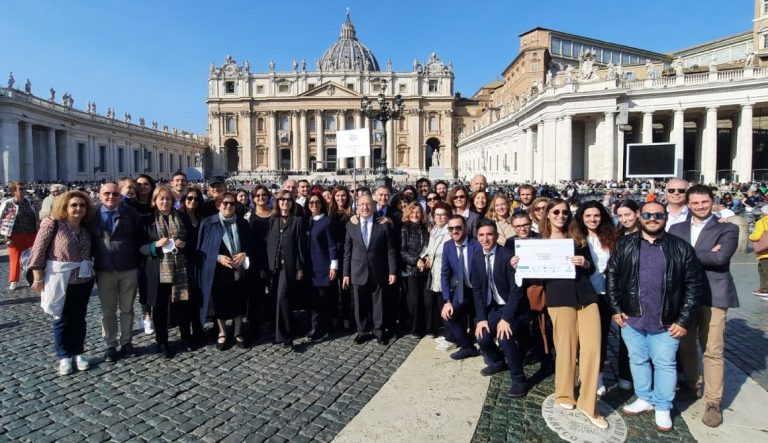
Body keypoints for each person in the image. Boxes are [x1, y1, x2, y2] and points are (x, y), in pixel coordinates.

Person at [607, 201, 702, 432]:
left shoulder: (681, 248)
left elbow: (693, 285)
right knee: (637, 360)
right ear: (640, 216)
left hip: (667, 321)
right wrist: (616, 308)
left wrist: (683, 320)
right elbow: (612, 276)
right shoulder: (625, 244)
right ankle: (644, 397)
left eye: (658, 215)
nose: (652, 218)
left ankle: (662, 406)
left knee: (665, 364)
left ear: (665, 218)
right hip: (632, 318)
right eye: (648, 214)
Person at [669, 185, 739, 427]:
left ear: (712, 201)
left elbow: (720, 258)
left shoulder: (727, 228)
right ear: (688, 204)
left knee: (712, 349)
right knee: (686, 345)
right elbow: (671, 258)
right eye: (695, 203)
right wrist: (705, 252)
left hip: (714, 296)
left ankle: (713, 401)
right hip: (685, 295)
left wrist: (686, 254)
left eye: (704, 202)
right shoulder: (676, 228)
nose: (700, 206)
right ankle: (691, 384)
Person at [537, 198, 606, 429]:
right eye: (555, 211)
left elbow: (593, 268)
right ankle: (565, 394)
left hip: (586, 296)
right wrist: (520, 264)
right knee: (566, 347)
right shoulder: (540, 241)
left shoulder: (578, 237)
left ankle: (589, 402)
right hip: (559, 297)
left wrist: (585, 263)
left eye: (565, 212)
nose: (560, 215)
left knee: (592, 348)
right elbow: (535, 275)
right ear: (547, 214)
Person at [28, 190, 96, 375]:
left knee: (79, 318)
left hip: (83, 279)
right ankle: (64, 356)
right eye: (74, 205)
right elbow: (38, 250)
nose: (78, 208)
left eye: (82, 205)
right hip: (59, 278)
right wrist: (38, 277)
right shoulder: (52, 224)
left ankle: (78, 352)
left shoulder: (86, 227)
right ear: (64, 206)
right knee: (61, 318)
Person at [471, 218, 529, 397]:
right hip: (495, 308)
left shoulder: (507, 256)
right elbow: (478, 291)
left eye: (489, 234)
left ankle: (519, 379)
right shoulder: (477, 257)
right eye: (481, 235)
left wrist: (506, 319)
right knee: (482, 337)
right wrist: (481, 319)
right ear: (477, 237)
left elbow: (516, 290)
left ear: (496, 235)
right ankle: (497, 362)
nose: (485, 239)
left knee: (504, 337)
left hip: (515, 309)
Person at [89, 182, 143, 363]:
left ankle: (127, 342)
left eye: (114, 194)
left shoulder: (130, 213)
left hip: (128, 267)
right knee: (108, 310)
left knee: (127, 309)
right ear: (99, 194)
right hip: (104, 269)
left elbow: (139, 236)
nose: (110, 197)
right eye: (107, 193)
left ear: (120, 195)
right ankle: (110, 344)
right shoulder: (92, 216)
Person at [138, 185, 194, 358]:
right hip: (159, 270)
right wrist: (155, 246)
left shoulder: (182, 217)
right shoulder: (147, 221)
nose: (165, 201)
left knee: (183, 304)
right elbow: (140, 248)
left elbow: (191, 239)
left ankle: (186, 336)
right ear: (155, 201)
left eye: (168, 198)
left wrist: (184, 245)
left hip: (181, 268)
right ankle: (162, 341)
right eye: (161, 198)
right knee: (160, 308)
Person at [572, 201, 620, 396]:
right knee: (581, 337)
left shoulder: (612, 237)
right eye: (588, 216)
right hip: (583, 292)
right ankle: (583, 371)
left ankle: (597, 375)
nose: (592, 219)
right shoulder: (575, 238)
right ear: (582, 218)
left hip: (605, 293)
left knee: (601, 337)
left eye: (596, 216)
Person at [198, 191, 253, 350]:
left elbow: (250, 245)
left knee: (238, 300)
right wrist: (217, 257)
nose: (229, 206)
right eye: (225, 203)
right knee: (219, 301)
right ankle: (222, 332)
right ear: (218, 205)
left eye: (232, 203)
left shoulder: (242, 223)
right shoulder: (209, 223)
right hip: (218, 269)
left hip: (238, 268)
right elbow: (202, 248)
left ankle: (237, 332)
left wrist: (244, 254)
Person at [342, 193, 398, 345]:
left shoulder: (382, 224)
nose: (365, 207)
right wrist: (345, 273)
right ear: (357, 208)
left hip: (378, 270)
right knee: (360, 304)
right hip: (358, 270)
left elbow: (390, 250)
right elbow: (347, 250)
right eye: (362, 205)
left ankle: (379, 331)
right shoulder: (351, 225)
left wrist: (392, 271)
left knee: (379, 303)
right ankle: (362, 331)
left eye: (368, 204)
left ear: (373, 206)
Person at [266, 190, 307, 349]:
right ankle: (278, 332)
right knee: (276, 298)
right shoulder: (272, 220)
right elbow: (268, 243)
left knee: (283, 297)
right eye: (282, 199)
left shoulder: (297, 221)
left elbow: (300, 246)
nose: (285, 202)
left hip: (288, 266)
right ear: (278, 202)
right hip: (273, 266)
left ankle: (286, 334)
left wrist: (300, 266)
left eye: (289, 200)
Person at [440, 215, 483, 362]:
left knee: (482, 323)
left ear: (465, 227)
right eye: (451, 228)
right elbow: (444, 274)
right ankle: (467, 347)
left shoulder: (476, 244)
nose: (455, 231)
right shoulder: (448, 246)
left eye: (458, 227)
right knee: (449, 314)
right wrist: (447, 300)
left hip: (480, 291)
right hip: (462, 290)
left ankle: (487, 348)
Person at [305, 193, 337, 341]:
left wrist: (333, 265)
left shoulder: (327, 221)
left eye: (317, 202)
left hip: (323, 267)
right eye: (311, 202)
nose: (314, 205)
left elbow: (332, 244)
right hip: (309, 267)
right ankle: (315, 326)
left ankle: (322, 328)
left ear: (322, 204)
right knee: (312, 300)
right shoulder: (307, 221)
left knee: (322, 300)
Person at [177, 186, 206, 347]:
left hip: (198, 262)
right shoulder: (178, 216)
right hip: (183, 262)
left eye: (195, 199)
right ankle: (185, 335)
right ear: (184, 200)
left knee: (197, 297)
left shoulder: (200, 216)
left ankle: (198, 329)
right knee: (185, 300)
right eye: (189, 198)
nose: (192, 201)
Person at [423, 202, 453, 344]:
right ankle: (446, 332)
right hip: (434, 271)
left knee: (446, 303)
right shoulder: (434, 229)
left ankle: (450, 336)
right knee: (438, 303)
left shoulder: (450, 231)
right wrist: (427, 257)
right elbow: (430, 249)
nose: (440, 218)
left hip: (445, 272)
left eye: (443, 215)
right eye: (437, 215)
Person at [246, 185, 273, 340]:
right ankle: (254, 326)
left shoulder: (274, 215)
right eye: (258, 195)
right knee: (254, 295)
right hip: (254, 262)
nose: (261, 198)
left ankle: (272, 323)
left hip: (271, 260)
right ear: (253, 198)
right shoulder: (249, 217)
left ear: (268, 197)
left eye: (264, 195)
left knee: (273, 293)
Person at [130, 174, 156, 335]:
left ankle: (157, 315)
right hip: (135, 249)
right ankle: (147, 316)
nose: (142, 187)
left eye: (146, 184)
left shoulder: (156, 204)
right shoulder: (129, 205)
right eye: (139, 185)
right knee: (143, 284)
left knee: (156, 284)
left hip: (155, 248)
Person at [400, 202, 431, 337]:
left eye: (418, 212)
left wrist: (428, 257)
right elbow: (402, 251)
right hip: (410, 270)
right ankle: (414, 329)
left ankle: (426, 327)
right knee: (414, 301)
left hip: (425, 269)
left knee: (426, 300)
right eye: (412, 212)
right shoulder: (405, 229)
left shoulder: (426, 228)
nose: (415, 215)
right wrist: (416, 259)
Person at [0, 181, 38, 290]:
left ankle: (29, 277)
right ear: (13, 191)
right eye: (20, 189)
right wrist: (7, 238)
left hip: (31, 234)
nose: (23, 190)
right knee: (15, 258)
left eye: (24, 188)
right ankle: (14, 280)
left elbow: (37, 217)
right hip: (15, 236)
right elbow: (4, 222)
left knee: (31, 258)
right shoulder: (10, 204)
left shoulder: (30, 202)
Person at [330, 186, 354, 331]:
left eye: (343, 195)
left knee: (345, 287)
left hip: (346, 253)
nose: (340, 198)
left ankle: (346, 316)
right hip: (332, 254)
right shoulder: (328, 213)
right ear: (334, 197)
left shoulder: (352, 215)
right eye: (338, 195)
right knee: (332, 288)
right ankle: (333, 315)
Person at [750, 205, 768, 297]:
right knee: (762, 269)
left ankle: (764, 289)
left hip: (765, 252)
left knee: (763, 270)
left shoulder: (761, 222)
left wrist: (750, 237)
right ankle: (763, 288)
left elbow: (756, 236)